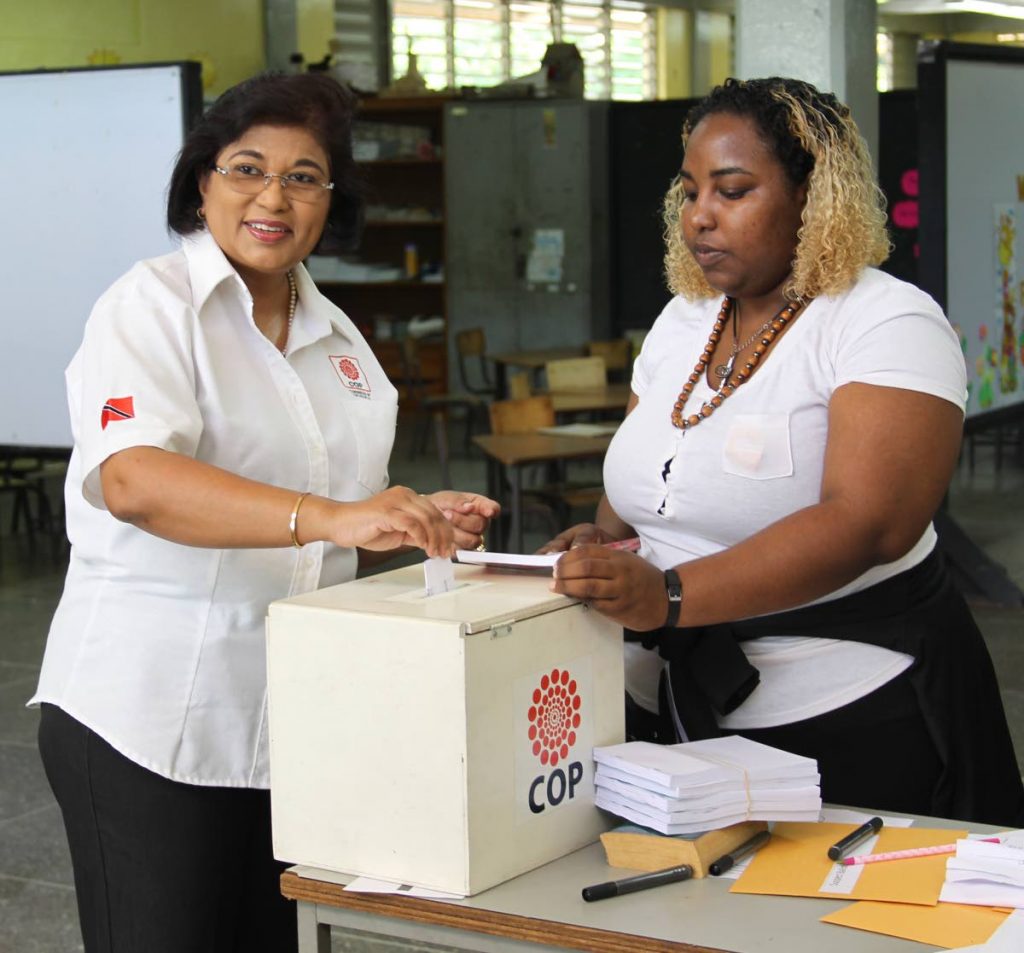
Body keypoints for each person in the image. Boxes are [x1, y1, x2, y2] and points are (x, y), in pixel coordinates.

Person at [30, 72, 498, 953]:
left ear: (333, 198)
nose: (272, 197)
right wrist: (327, 514)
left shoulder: (342, 343)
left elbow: (338, 515)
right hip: (148, 720)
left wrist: (408, 515)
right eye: (247, 167)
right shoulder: (151, 306)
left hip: (292, 723)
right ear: (202, 178)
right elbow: (135, 479)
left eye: (305, 176)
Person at [542, 77, 1024, 827]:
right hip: (661, 708)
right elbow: (649, 482)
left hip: (846, 712)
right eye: (691, 191)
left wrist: (667, 595)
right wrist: (605, 541)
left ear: (814, 196)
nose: (700, 216)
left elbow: (871, 523)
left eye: (732, 191)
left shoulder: (885, 320)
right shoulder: (684, 320)